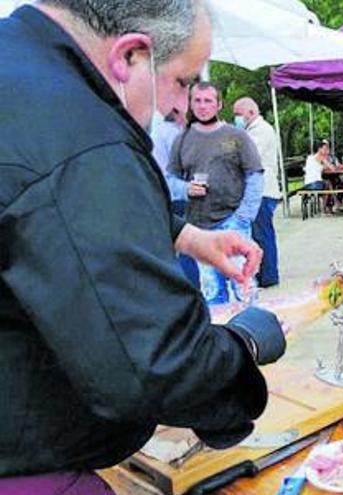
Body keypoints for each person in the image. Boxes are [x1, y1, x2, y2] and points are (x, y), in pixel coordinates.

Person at [0, 2, 287, 492]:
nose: (180, 106)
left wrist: (187, 235)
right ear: (131, 55)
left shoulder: (19, 66)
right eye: (181, 81)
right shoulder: (79, 133)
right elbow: (156, 364)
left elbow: (34, 203)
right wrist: (241, 347)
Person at [169, 82, 264, 305]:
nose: (202, 106)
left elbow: (255, 175)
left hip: (233, 221)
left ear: (219, 104)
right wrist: (185, 189)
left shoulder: (236, 136)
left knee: (244, 286)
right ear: (190, 104)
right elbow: (168, 180)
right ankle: (220, 337)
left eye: (208, 101)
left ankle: (254, 334)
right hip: (201, 227)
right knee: (212, 293)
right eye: (197, 101)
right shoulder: (182, 139)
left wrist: (243, 216)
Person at [233, 97, 283, 288]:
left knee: (263, 234)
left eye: (238, 114)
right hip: (257, 191)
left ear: (251, 113)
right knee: (259, 234)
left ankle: (269, 275)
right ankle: (265, 273)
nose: (236, 118)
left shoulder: (261, 131)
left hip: (262, 190)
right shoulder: (251, 131)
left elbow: (247, 158)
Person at [151, 104, 201, 288]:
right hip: (180, 195)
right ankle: (193, 289)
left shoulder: (154, 132)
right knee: (188, 246)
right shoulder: (174, 135)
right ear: (180, 115)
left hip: (163, 196)